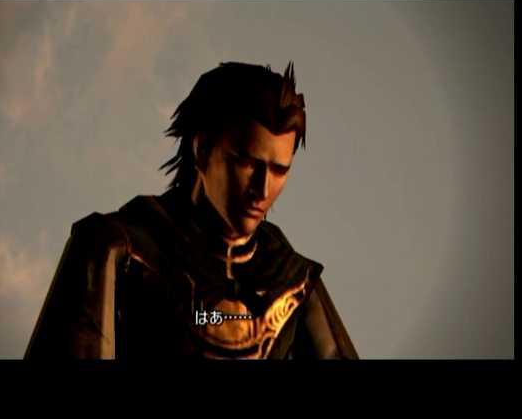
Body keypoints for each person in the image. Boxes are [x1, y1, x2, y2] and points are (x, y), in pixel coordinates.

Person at [25, 61, 358, 359]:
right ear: (202, 150)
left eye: (279, 170)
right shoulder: (118, 248)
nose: (262, 188)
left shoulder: (294, 279)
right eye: (246, 163)